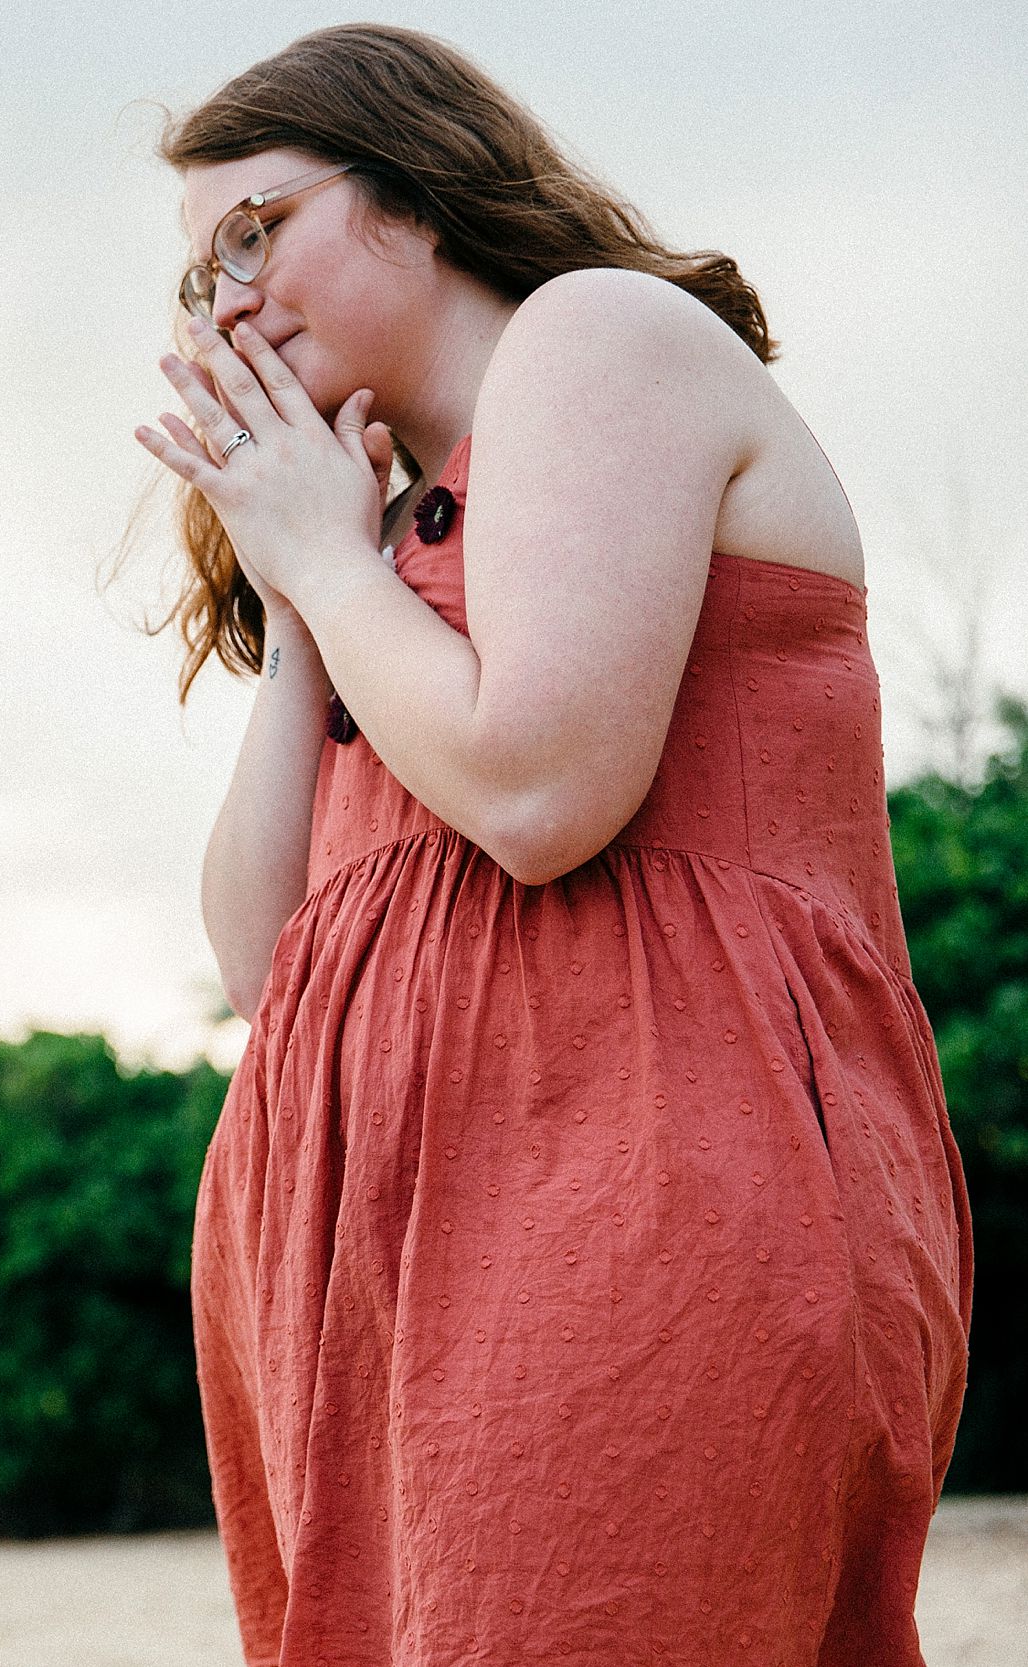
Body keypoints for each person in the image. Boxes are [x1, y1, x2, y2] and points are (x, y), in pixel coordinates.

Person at [131, 25, 969, 1666]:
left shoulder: (598, 341)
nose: (224, 302)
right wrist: (310, 593)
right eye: (194, 276)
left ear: (419, 196)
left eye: (256, 231)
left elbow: (537, 797)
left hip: (631, 1186)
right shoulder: (377, 537)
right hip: (366, 1264)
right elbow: (264, 963)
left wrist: (331, 555)